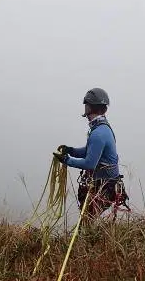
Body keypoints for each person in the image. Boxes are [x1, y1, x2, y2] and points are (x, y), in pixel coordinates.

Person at [52, 87, 129, 221]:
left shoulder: (98, 133)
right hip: (106, 183)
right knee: (88, 217)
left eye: (86, 105)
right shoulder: (102, 128)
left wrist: (67, 160)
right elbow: (89, 151)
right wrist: (70, 150)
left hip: (104, 185)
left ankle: (89, 240)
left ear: (90, 107)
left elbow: (90, 163)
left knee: (87, 219)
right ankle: (91, 239)